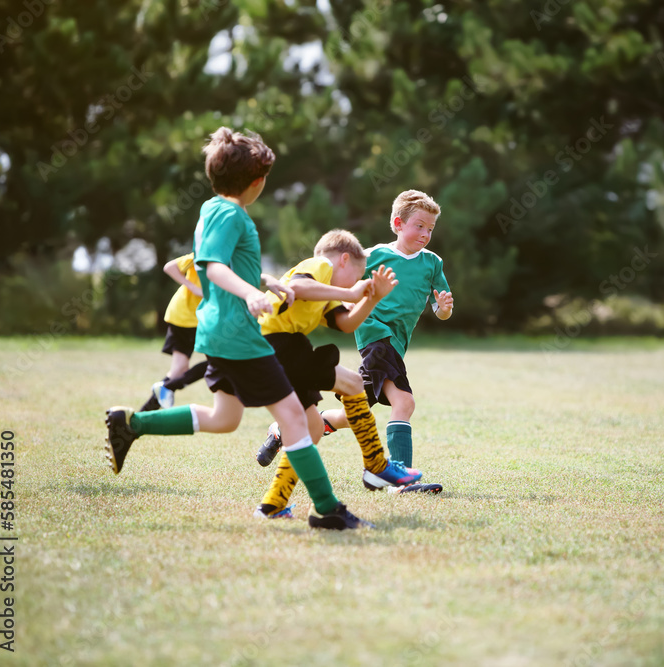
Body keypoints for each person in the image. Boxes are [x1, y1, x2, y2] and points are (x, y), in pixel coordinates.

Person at [104, 126, 372, 530]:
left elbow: (224, 260)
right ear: (257, 181)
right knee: (297, 420)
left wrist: (267, 281)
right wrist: (250, 294)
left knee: (224, 417)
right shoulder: (231, 213)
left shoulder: (214, 210)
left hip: (215, 331)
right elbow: (213, 266)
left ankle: (131, 424)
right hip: (239, 334)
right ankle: (328, 508)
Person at [252, 229, 434, 520]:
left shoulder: (327, 292)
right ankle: (375, 466)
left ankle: (271, 505)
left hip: (277, 348)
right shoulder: (320, 265)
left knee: (312, 429)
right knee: (351, 383)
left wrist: (372, 297)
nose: (355, 283)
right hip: (274, 344)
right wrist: (350, 292)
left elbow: (347, 324)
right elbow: (299, 288)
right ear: (344, 260)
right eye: (356, 276)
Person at [321, 189, 453, 476]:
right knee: (404, 402)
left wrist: (443, 308)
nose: (425, 233)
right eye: (419, 225)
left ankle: (308, 425)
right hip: (375, 335)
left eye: (430, 228)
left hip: (397, 342)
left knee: (355, 412)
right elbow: (343, 281)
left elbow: (442, 312)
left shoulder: (433, 263)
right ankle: (399, 475)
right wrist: (345, 301)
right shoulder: (374, 256)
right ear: (398, 224)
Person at [139, 253, 208, 411]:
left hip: (201, 317)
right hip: (184, 315)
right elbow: (170, 267)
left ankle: (142, 414)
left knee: (179, 369)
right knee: (219, 361)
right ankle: (165, 389)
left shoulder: (229, 256)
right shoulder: (203, 253)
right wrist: (193, 287)